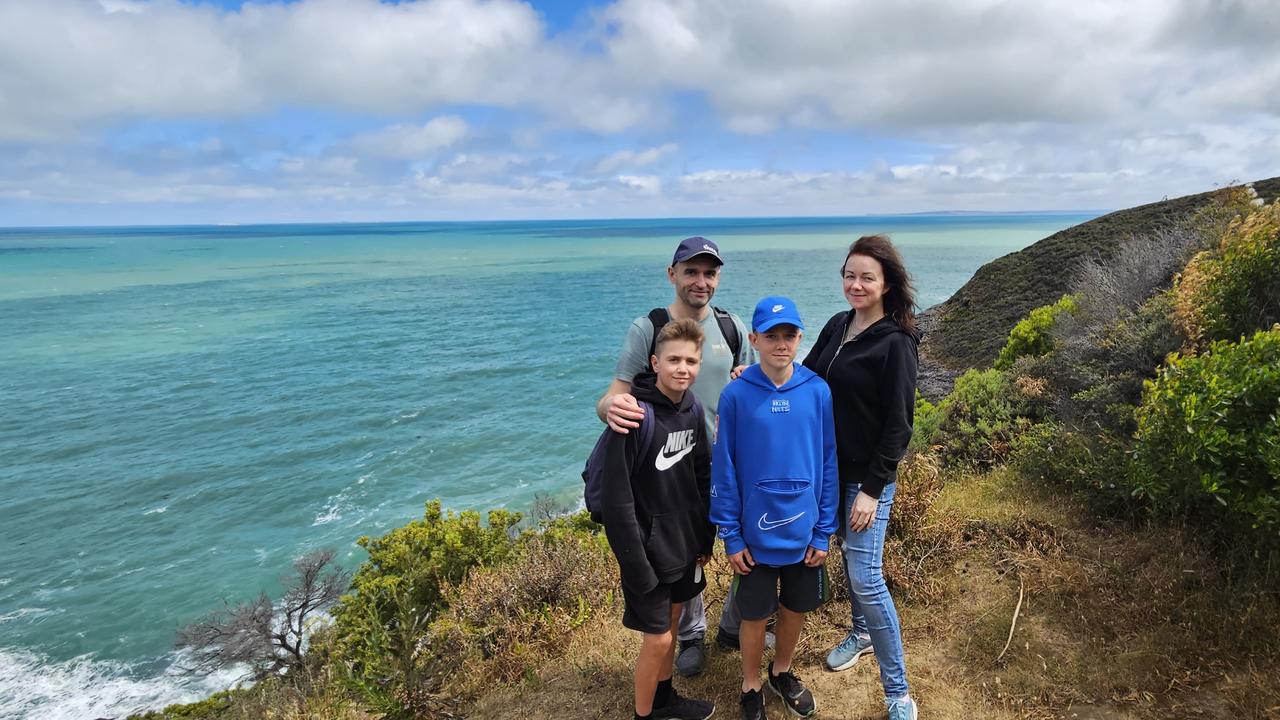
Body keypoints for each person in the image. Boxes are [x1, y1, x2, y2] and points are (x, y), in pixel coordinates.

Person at [598, 236, 756, 676]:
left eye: (709, 273)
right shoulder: (649, 326)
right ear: (672, 275)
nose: (700, 281)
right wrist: (613, 409)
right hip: (670, 467)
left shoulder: (732, 327)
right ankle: (692, 634)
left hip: (726, 462)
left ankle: (732, 624)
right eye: (691, 271)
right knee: (684, 555)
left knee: (748, 545)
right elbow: (614, 394)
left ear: (718, 278)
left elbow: (747, 386)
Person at [802, 235, 920, 720]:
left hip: (866, 478)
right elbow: (807, 376)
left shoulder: (896, 342)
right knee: (849, 558)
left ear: (887, 282)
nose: (856, 284)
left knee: (866, 576)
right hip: (829, 469)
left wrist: (873, 490)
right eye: (850, 275)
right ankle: (863, 632)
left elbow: (900, 424)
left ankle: (899, 694)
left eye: (867, 277)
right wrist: (755, 375)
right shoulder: (837, 325)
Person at [711, 296, 839, 720]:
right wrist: (730, 533)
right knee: (753, 613)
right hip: (754, 531)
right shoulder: (736, 395)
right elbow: (724, 468)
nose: (781, 344)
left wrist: (823, 530)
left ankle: (781, 670)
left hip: (804, 530)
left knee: (795, 608)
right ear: (755, 339)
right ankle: (751, 683)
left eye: (789, 335)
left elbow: (827, 461)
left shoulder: (817, 390)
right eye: (771, 336)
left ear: (800, 338)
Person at [600, 318, 717, 720]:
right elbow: (615, 502)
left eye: (691, 360)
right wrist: (636, 565)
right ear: (654, 362)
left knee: (672, 621)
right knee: (658, 638)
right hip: (647, 552)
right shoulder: (634, 417)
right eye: (674, 360)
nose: (682, 368)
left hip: (682, 544)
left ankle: (665, 699)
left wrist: (705, 538)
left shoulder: (693, 409)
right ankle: (643, 714)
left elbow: (702, 473)